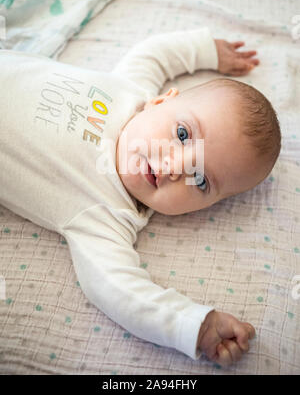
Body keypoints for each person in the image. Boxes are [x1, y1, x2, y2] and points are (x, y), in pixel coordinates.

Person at [0, 27, 281, 367]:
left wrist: (194, 324)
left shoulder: (106, 214)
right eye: (182, 134)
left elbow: (118, 289)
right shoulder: (132, 91)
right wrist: (204, 50)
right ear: (162, 101)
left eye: (201, 179)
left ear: (205, 207)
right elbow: (154, 54)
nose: (175, 166)